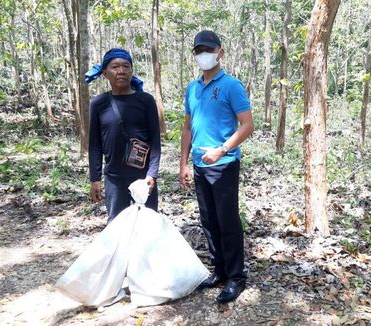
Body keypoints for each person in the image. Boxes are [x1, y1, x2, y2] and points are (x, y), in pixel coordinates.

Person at [179, 30, 254, 304]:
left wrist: (222, 149)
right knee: (208, 220)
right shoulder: (192, 88)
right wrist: (183, 163)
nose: (203, 55)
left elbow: (247, 125)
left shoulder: (232, 86)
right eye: (199, 51)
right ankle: (219, 270)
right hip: (199, 166)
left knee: (227, 221)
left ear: (220, 52)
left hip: (224, 165)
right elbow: (187, 127)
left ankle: (236, 277)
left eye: (208, 50)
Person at [86, 48, 161, 223]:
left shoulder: (146, 101)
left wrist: (152, 174)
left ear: (131, 71)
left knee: (147, 224)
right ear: (105, 73)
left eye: (126, 66)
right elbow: (95, 144)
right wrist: (95, 179)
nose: (121, 71)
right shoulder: (98, 103)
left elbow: (155, 140)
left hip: (143, 177)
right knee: (116, 226)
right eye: (115, 67)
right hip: (114, 178)